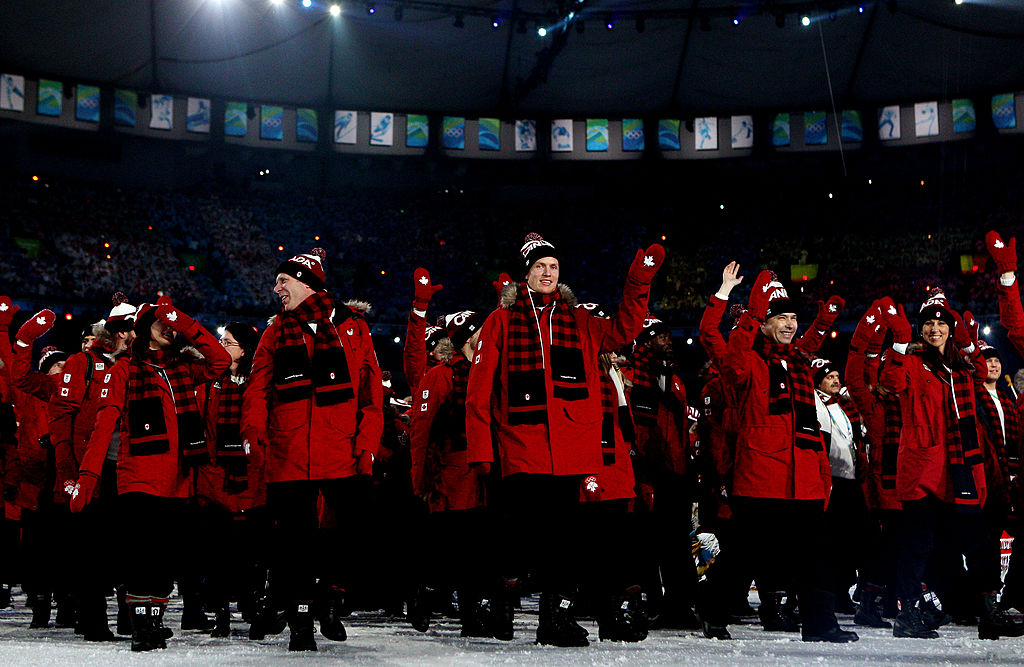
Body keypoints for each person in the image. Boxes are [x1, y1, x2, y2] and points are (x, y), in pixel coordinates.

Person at [466, 232, 664, 647]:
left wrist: (639, 281)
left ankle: (554, 619)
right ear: (526, 274)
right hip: (520, 449)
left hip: (571, 452)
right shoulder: (499, 322)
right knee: (520, 538)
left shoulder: (580, 321)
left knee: (564, 541)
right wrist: (482, 452)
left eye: (553, 267)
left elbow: (626, 327)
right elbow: (479, 392)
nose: (547, 273)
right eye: (540, 266)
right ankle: (499, 603)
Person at [701, 262, 856, 643]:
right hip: (759, 478)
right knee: (740, 552)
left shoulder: (801, 365)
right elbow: (723, 349)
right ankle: (713, 612)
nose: (789, 324)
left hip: (803, 480)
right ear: (765, 324)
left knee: (817, 555)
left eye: (792, 318)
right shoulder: (748, 362)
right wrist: (747, 311)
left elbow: (810, 431)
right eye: (781, 318)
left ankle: (820, 624)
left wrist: (821, 477)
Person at [241, 247, 383, 652]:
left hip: (342, 452)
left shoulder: (354, 328)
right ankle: (299, 621)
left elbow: (372, 398)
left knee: (357, 534)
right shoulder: (275, 330)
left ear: (308, 283)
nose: (276, 287)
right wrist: (253, 431)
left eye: (283, 280)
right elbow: (257, 388)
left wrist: (368, 446)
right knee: (294, 544)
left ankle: (329, 596)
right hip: (288, 453)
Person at [70, 297, 231, 652]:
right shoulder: (123, 370)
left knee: (167, 559)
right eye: (162, 323)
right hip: (139, 479)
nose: (170, 328)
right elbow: (102, 427)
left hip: (179, 482)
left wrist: (185, 322)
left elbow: (221, 361)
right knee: (143, 556)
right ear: (145, 329)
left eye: (172, 323)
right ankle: (142, 624)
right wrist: (88, 477)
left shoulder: (185, 369)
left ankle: (153, 620)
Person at [879, 289, 1024, 639]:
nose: (934, 329)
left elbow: (980, 368)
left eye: (941, 323)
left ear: (950, 329)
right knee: (921, 545)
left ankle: (989, 610)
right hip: (923, 469)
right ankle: (908, 613)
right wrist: (899, 343)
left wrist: (968, 337)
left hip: (960, 469)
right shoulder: (910, 361)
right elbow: (889, 381)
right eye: (927, 323)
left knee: (978, 540)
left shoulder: (962, 367)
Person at [49, 293, 139, 641]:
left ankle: (127, 619)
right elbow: (61, 416)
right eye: (125, 331)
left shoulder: (140, 365)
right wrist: (69, 469)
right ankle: (93, 621)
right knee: (93, 547)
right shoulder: (82, 362)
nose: (130, 338)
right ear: (113, 333)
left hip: (127, 468)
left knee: (122, 546)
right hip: (93, 470)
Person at [409, 309, 490, 636]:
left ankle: (475, 617)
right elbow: (421, 431)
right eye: (481, 331)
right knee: (450, 547)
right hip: (452, 476)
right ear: (467, 337)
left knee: (479, 548)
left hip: (486, 475)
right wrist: (420, 480)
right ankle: (425, 592)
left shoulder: (490, 371)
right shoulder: (441, 376)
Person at [627, 317, 701, 632]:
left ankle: (679, 605)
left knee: (678, 544)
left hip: (677, 471)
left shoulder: (676, 380)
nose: (668, 341)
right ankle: (652, 604)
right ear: (644, 342)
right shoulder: (631, 376)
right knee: (648, 544)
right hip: (647, 471)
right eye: (660, 336)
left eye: (669, 335)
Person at [195, 322, 265, 638]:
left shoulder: (259, 381)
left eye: (228, 342)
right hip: (215, 477)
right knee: (217, 551)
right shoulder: (210, 380)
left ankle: (253, 607)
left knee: (250, 552)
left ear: (244, 349)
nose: (222, 346)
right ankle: (220, 611)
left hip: (250, 478)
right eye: (221, 341)